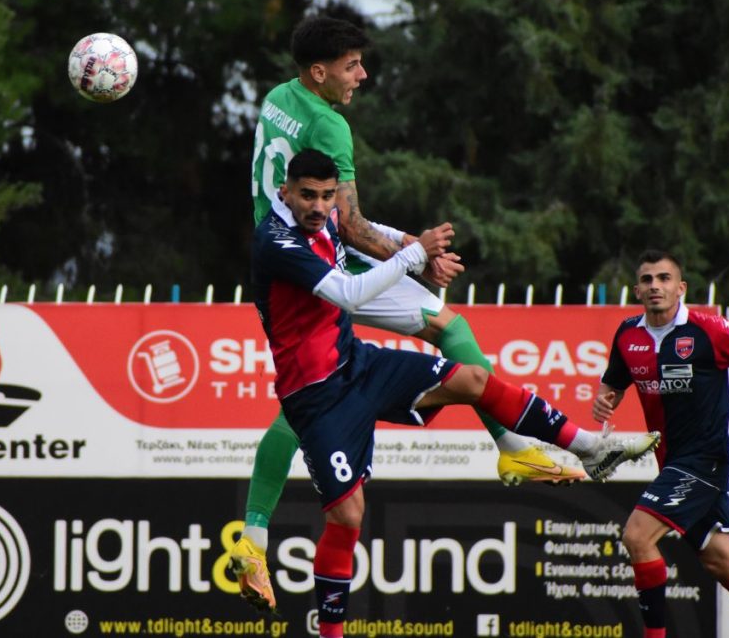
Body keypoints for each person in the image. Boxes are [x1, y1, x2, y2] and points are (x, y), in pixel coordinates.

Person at [232, 14, 588, 611]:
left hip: (286, 263)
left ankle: (254, 536)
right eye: (351, 66)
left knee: (306, 393)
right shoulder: (331, 125)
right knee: (448, 328)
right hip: (326, 266)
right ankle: (512, 447)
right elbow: (347, 223)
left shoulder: (278, 98)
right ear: (319, 72)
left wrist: (415, 252)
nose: (362, 75)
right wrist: (417, 257)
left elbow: (339, 220)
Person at [252, 149, 659, 636]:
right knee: (349, 515)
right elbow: (347, 294)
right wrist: (414, 253)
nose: (319, 207)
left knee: (474, 379)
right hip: (316, 398)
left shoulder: (330, 215)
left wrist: (411, 246)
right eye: (307, 196)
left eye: (326, 196)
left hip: (358, 363)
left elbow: (360, 224)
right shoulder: (274, 240)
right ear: (285, 192)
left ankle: (590, 447)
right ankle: (329, 631)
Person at [592, 249, 729, 638]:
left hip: (704, 461)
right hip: (670, 461)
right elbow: (612, 385)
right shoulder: (628, 334)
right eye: (648, 280)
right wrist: (604, 401)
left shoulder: (708, 330)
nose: (656, 286)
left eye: (664, 278)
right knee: (721, 561)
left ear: (680, 288)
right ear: (637, 289)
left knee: (637, 535)